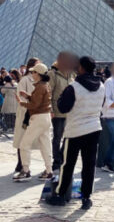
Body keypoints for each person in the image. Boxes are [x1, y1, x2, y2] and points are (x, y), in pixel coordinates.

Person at [47, 56, 105, 210]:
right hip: (94, 129)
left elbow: (62, 108)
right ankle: (86, 197)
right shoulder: (101, 85)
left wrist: (60, 98)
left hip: (75, 130)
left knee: (67, 164)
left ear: (81, 68)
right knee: (89, 164)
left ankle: (59, 195)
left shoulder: (73, 87)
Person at [13, 63, 53, 181]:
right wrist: (28, 96)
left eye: (33, 72)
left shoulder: (40, 87)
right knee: (45, 144)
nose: (32, 74)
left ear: (38, 74)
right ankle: (49, 170)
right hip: (45, 117)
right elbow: (39, 101)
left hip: (38, 118)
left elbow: (35, 105)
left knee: (24, 144)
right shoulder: (45, 85)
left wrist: (22, 102)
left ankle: (25, 171)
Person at [47, 52, 76, 172]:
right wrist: (51, 110)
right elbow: (48, 93)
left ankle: (62, 157)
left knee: (68, 136)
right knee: (57, 136)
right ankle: (56, 161)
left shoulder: (72, 75)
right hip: (58, 110)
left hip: (70, 111)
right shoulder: (52, 74)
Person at [12, 57, 40, 174]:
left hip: (35, 112)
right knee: (22, 138)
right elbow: (20, 96)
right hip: (25, 112)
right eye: (38, 65)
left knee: (30, 139)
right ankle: (21, 163)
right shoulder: (25, 80)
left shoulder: (38, 80)